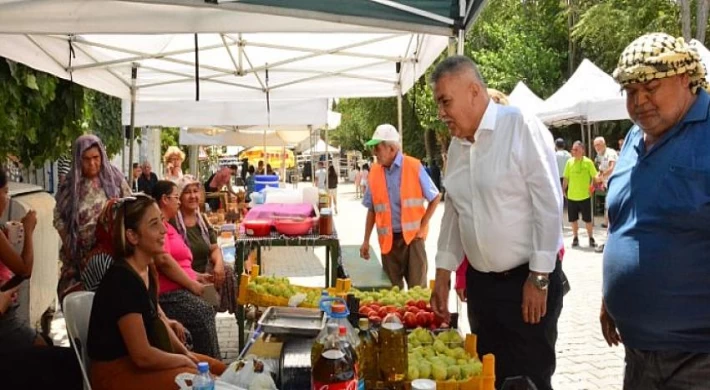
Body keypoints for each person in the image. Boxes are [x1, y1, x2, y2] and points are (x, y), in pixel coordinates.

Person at [428, 56, 563, 390]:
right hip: (483, 290)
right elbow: (454, 212)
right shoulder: (458, 146)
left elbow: (548, 203)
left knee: (527, 380)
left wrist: (540, 277)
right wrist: (443, 272)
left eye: (446, 101)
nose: (441, 113)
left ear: (474, 91)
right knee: (488, 376)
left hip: (526, 285)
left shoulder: (519, 126)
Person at [602, 32, 710, 390]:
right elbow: (626, 222)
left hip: (698, 358)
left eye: (650, 87)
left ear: (684, 78)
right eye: (631, 92)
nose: (639, 101)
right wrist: (611, 299)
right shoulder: (635, 137)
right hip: (638, 352)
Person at [87, 195, 225, 390]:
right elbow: (142, 356)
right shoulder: (122, 280)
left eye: (161, 220)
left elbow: (157, 318)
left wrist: (186, 355)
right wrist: (181, 361)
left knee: (222, 370)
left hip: (142, 362)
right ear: (132, 236)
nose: (163, 229)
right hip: (115, 373)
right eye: (154, 224)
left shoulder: (147, 269)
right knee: (200, 381)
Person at [360, 124, 440, 289]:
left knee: (417, 293)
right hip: (389, 243)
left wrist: (421, 227)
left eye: (377, 147)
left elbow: (435, 197)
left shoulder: (413, 166)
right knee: (391, 294)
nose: (374, 152)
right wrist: (366, 240)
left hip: (413, 241)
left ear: (391, 148)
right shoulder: (374, 172)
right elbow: (372, 209)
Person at [54, 134, 131, 301]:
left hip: (112, 255)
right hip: (77, 259)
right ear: (78, 159)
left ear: (102, 156)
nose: (92, 163)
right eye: (86, 159)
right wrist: (75, 255)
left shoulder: (115, 179)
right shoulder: (69, 186)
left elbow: (129, 209)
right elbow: (59, 220)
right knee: (80, 305)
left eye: (96, 157)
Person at [151, 180, 221, 358]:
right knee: (203, 312)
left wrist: (197, 276)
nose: (180, 202)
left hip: (182, 285)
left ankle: (211, 363)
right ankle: (208, 365)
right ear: (165, 200)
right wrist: (191, 283)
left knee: (208, 306)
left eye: (196, 192)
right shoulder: (162, 227)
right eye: (177, 197)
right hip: (169, 293)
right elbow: (164, 260)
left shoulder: (169, 225)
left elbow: (180, 262)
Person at [173, 175, 238, 314]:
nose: (192, 196)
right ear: (179, 196)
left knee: (228, 272)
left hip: (205, 275)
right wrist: (196, 276)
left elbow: (214, 248)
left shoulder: (201, 219)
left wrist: (219, 265)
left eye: (195, 191)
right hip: (184, 278)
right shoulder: (174, 222)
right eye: (187, 192)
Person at [563, 141, 599, 248]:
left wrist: (592, 188)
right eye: (573, 149)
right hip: (572, 196)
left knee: (588, 220)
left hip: (585, 196)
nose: (574, 151)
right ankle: (575, 238)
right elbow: (566, 177)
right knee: (573, 220)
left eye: (576, 149)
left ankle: (591, 238)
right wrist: (563, 189)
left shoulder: (588, 162)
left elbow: (595, 177)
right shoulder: (569, 162)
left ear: (582, 150)